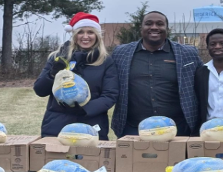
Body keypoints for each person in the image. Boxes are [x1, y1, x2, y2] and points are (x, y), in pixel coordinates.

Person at [111, 11, 203, 137]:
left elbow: (204, 84)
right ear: (141, 28)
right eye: (148, 24)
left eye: (160, 24)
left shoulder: (188, 53)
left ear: (167, 28)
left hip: (179, 130)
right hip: (132, 129)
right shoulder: (120, 53)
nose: (154, 27)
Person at [34, 12, 119, 140]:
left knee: (91, 159)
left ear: (97, 35)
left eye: (90, 32)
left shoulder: (105, 61)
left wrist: (85, 108)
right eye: (80, 32)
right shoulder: (57, 57)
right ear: (74, 34)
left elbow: (110, 95)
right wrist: (53, 73)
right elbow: (40, 90)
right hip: (57, 124)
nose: (85, 36)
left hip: (91, 123)